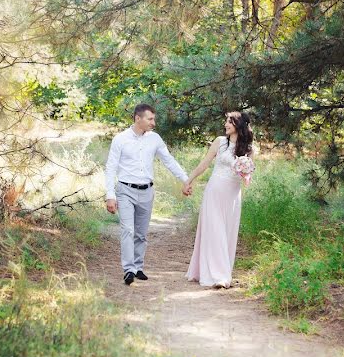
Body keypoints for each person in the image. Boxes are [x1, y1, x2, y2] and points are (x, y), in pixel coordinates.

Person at [105, 104, 191, 285]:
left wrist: (185, 179)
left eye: (154, 119)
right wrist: (110, 195)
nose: (154, 122)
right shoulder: (120, 139)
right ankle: (128, 269)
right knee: (128, 230)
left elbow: (169, 160)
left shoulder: (155, 139)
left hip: (147, 191)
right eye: (150, 119)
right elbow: (111, 167)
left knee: (141, 234)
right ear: (138, 118)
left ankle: (137, 267)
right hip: (125, 190)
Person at [183, 111, 254, 288]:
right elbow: (204, 164)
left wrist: (245, 172)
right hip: (214, 191)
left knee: (227, 232)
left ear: (239, 125)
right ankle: (219, 275)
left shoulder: (249, 149)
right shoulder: (220, 142)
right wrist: (188, 180)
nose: (226, 124)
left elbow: (248, 174)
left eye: (230, 122)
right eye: (226, 121)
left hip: (232, 195)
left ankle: (222, 270)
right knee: (214, 231)